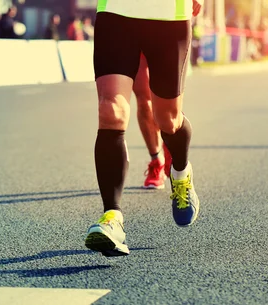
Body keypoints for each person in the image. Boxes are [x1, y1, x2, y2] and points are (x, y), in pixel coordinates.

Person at [85, 0, 203, 257]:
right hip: (116, 11)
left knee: (167, 119)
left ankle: (181, 173)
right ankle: (112, 218)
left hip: (168, 15)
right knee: (110, 111)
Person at [133, 54, 172, 189]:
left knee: (167, 98)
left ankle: (170, 148)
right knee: (144, 100)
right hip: (136, 41)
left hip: (166, 37)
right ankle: (156, 161)